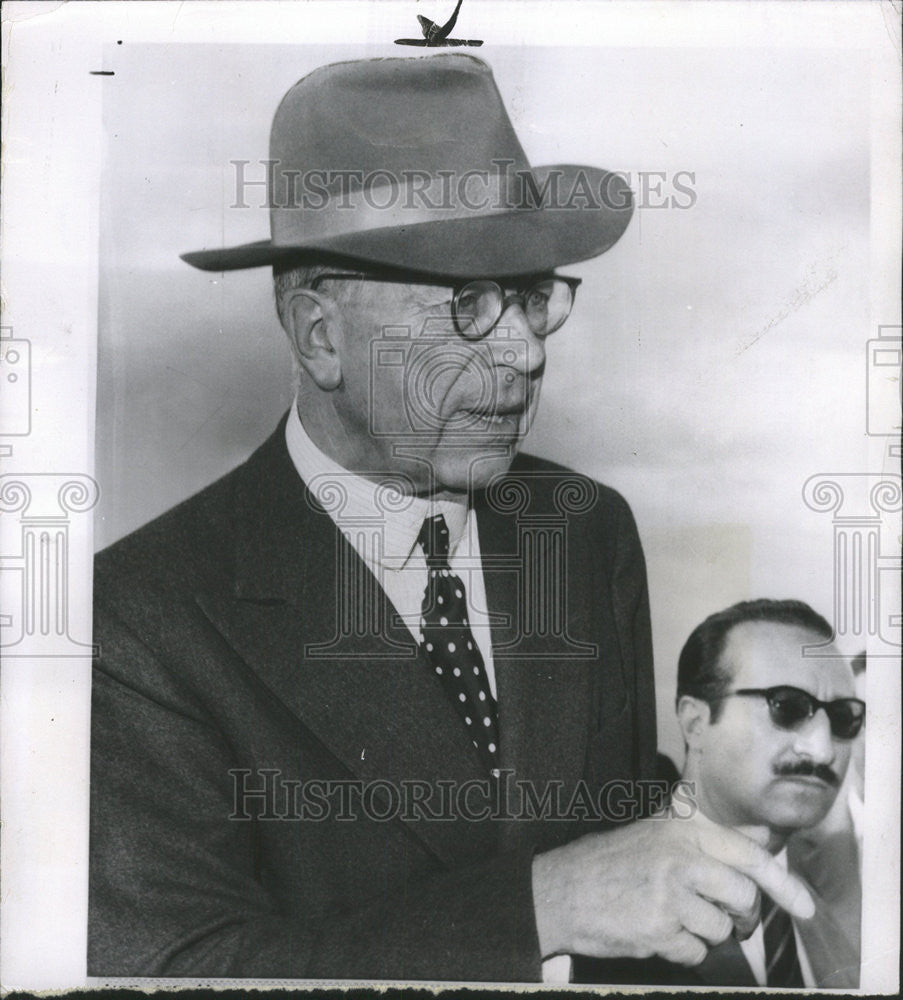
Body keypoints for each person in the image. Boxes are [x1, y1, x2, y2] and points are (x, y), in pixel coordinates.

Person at [89, 54, 813, 982]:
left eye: (532, 296)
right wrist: (542, 902)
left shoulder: (583, 529)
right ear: (320, 336)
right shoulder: (133, 622)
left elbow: (632, 845)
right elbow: (173, 968)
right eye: (468, 303)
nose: (521, 352)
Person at [625, 599, 862, 988]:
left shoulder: (839, 931)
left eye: (843, 717)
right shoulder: (609, 900)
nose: (823, 749)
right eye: (786, 706)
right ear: (695, 722)